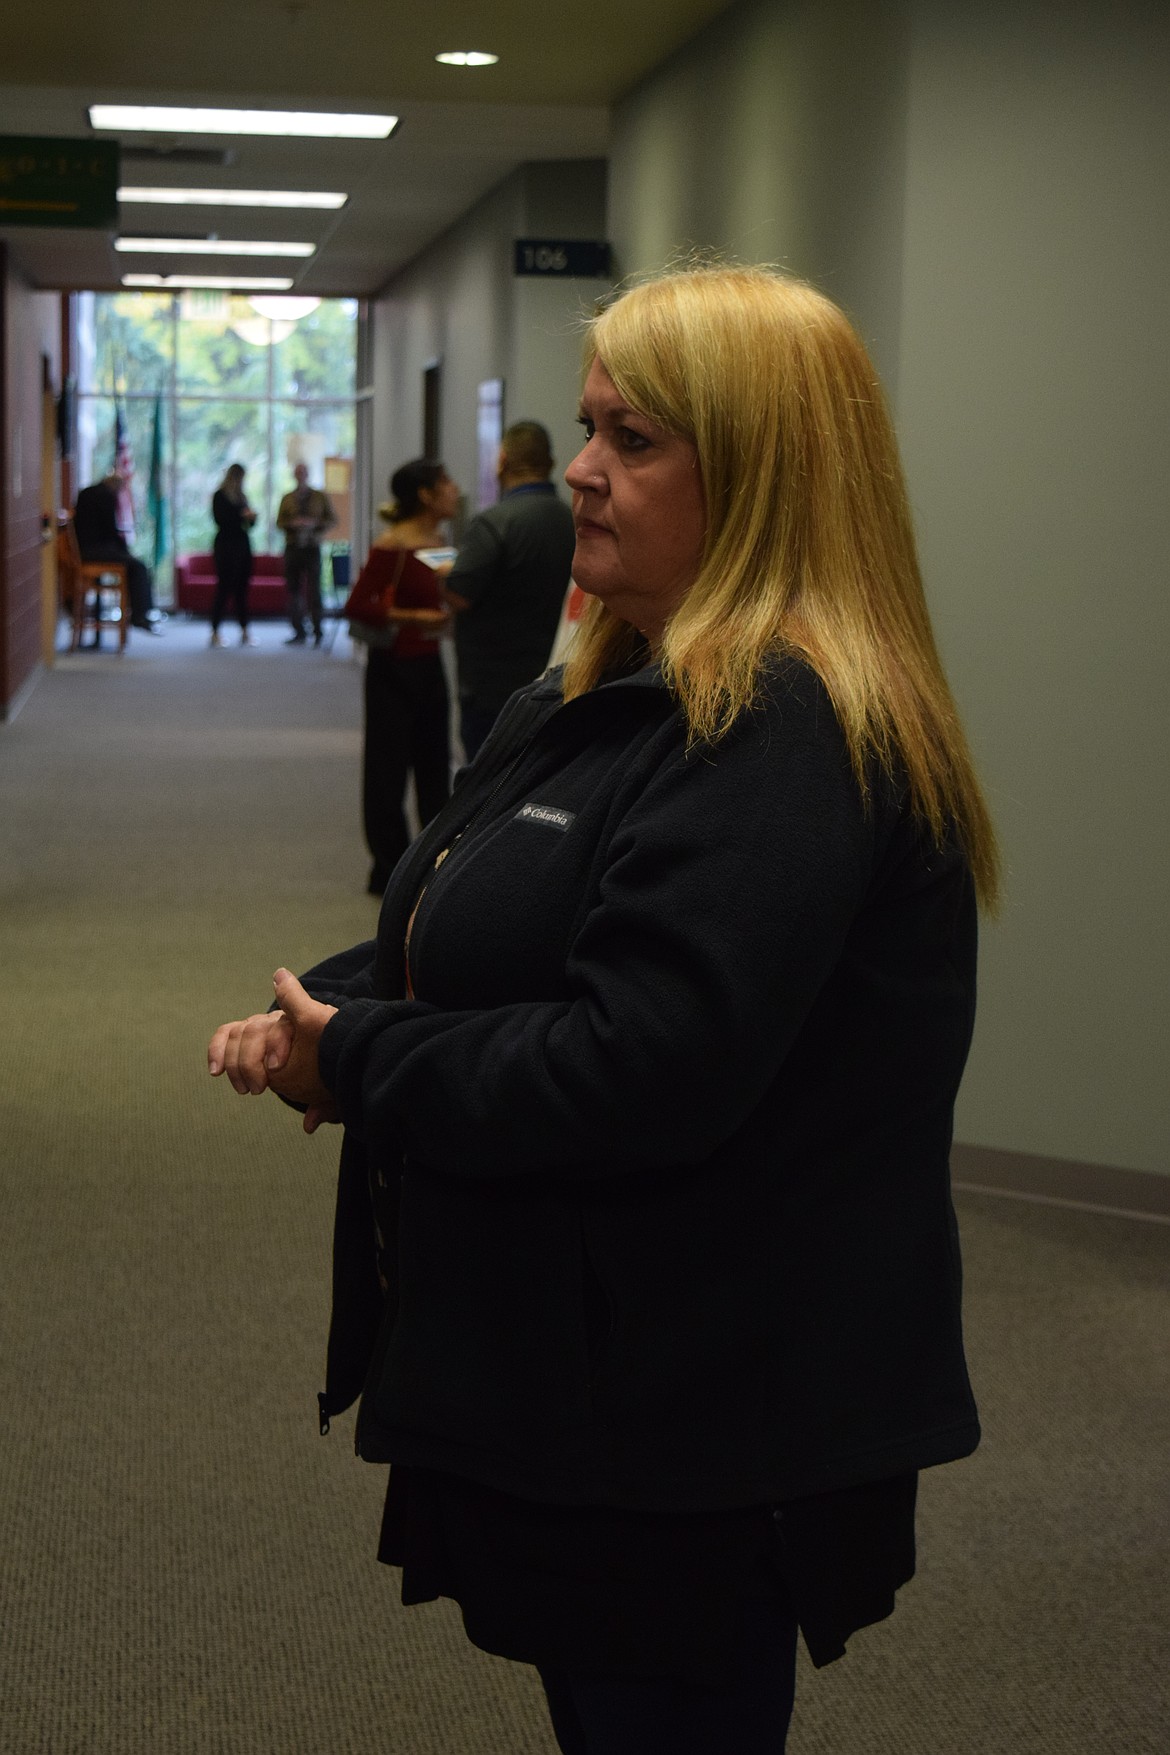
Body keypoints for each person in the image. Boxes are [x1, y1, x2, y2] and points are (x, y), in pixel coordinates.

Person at [208, 264, 1000, 1755]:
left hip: (694, 1422)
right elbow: (506, 927)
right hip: (587, 1389)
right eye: (587, 428)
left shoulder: (784, 727)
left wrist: (361, 1052)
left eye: (632, 438)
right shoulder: (608, 691)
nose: (576, 468)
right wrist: (339, 1004)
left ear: (760, 476)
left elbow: (635, 1062)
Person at [348, 460, 457, 896]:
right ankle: (389, 865)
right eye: (446, 483)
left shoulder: (441, 543)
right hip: (392, 665)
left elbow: (446, 596)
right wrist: (413, 617)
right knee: (387, 769)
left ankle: (432, 862)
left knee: (434, 766)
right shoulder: (392, 545)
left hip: (429, 665)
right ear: (427, 495)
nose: (455, 490)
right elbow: (358, 605)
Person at [444, 420, 576, 761]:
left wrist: (446, 574)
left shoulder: (493, 522)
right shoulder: (574, 521)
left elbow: (460, 594)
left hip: (492, 685)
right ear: (550, 463)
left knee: (485, 784)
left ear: (502, 460)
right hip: (559, 676)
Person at [72, 471, 160, 633]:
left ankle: (139, 612)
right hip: (95, 551)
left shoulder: (86, 493)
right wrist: (125, 550)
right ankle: (140, 614)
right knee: (138, 567)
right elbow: (110, 530)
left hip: (85, 550)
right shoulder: (105, 497)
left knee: (134, 564)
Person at [276, 461, 336, 646]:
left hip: (312, 547)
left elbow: (332, 519)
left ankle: (318, 630)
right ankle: (298, 631)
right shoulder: (287, 498)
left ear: (308, 474)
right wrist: (292, 524)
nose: (300, 475)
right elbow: (279, 522)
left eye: (303, 472)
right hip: (293, 547)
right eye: (298, 472)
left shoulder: (319, 496)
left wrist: (314, 524)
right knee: (294, 591)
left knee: (314, 590)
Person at [209, 463, 256, 647]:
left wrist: (251, 518)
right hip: (225, 547)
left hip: (242, 545)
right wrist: (241, 515)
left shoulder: (242, 497)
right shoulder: (219, 496)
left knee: (242, 589)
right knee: (224, 587)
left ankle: (245, 631)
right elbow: (220, 520)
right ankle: (215, 631)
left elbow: (249, 525)